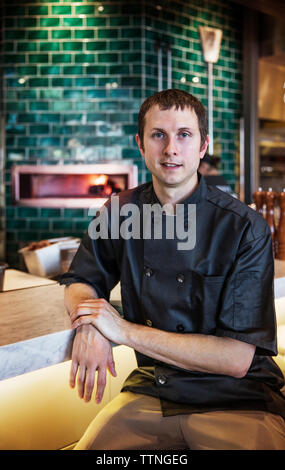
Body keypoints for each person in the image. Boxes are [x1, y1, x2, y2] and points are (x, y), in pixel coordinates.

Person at [60, 89, 285, 450]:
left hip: (238, 399)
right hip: (154, 389)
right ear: (141, 144)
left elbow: (236, 358)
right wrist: (89, 322)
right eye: (158, 135)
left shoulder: (244, 227)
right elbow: (81, 280)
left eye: (184, 134)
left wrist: (120, 330)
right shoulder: (119, 212)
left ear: (202, 145)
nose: (170, 149)